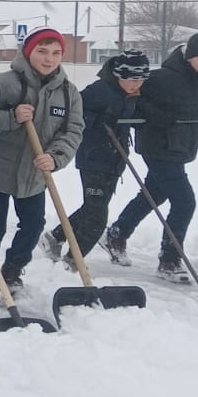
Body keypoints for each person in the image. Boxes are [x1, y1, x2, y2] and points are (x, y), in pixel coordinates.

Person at [0, 27, 83, 298]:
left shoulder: (68, 93)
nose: (49, 58)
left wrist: (55, 157)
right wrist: (11, 117)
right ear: (28, 52)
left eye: (56, 53)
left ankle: (13, 270)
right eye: (42, 51)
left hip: (35, 173)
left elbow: (73, 131)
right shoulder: (3, 84)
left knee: (33, 225)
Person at [103, 32, 198, 284]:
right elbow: (134, 97)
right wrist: (156, 116)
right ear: (189, 57)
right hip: (157, 145)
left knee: (155, 193)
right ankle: (169, 260)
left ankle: (117, 233)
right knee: (185, 202)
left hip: (183, 144)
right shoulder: (163, 78)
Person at [38, 50, 150, 265]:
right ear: (119, 76)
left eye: (141, 80)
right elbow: (75, 115)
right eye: (133, 79)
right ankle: (73, 262)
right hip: (93, 157)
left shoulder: (129, 94)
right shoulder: (99, 91)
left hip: (115, 159)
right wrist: (97, 121)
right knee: (98, 217)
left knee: (92, 207)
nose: (137, 84)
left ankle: (55, 237)